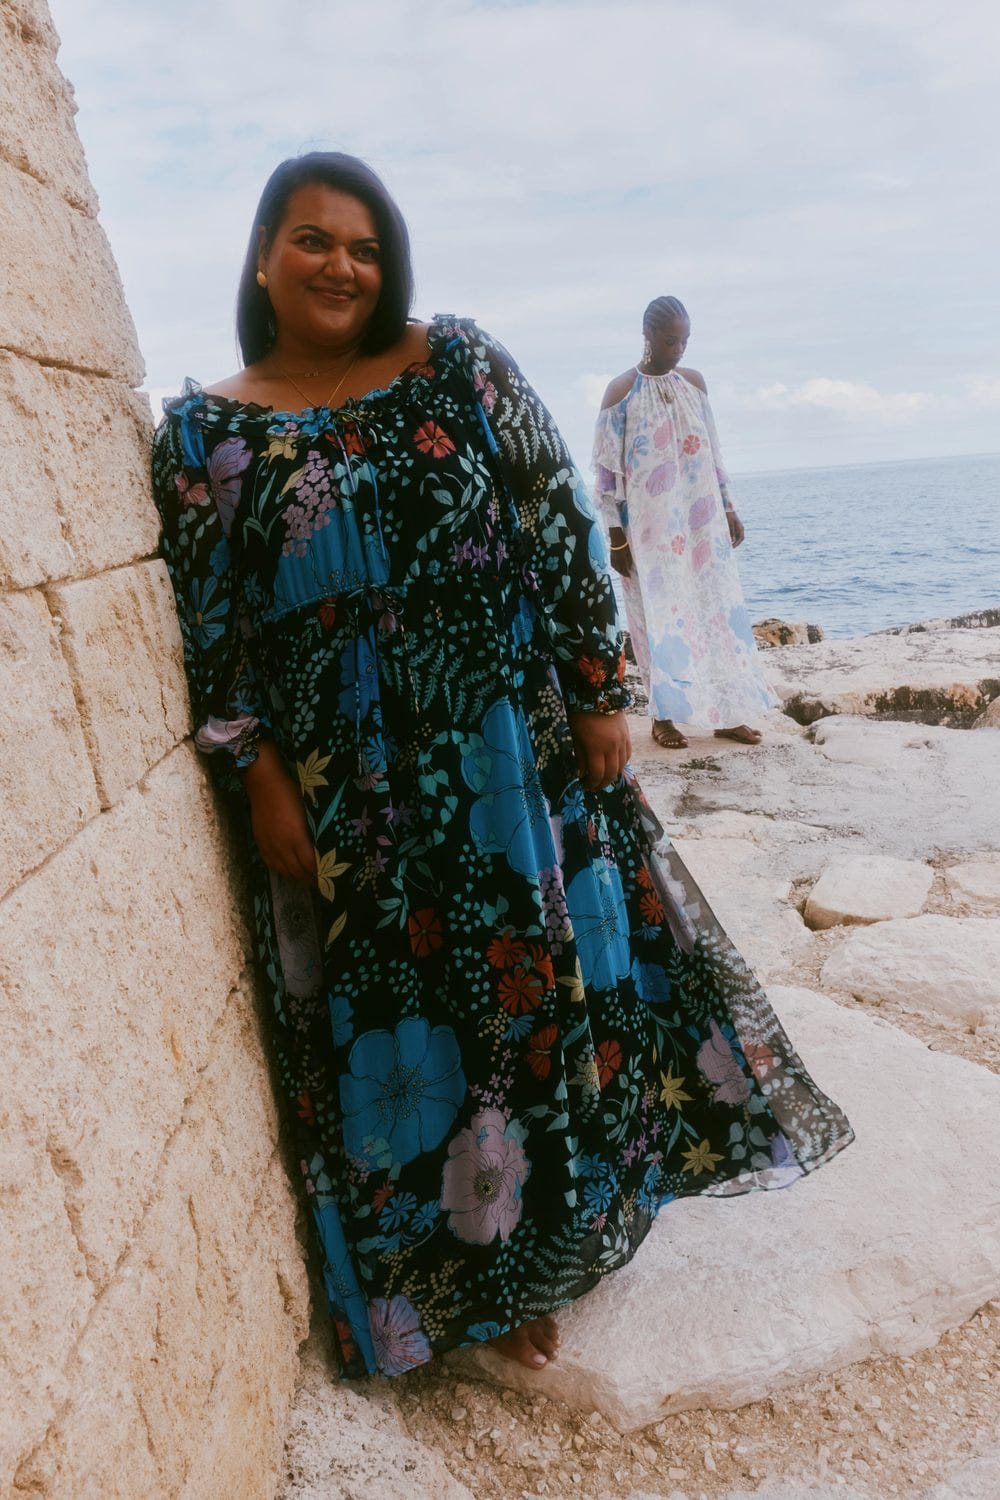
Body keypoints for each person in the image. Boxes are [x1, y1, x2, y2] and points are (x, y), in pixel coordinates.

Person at [152, 154, 852, 1382]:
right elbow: (214, 632)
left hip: (503, 756)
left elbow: (550, 515)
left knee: (530, 1003)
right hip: (350, 787)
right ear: (263, 256)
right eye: (312, 240)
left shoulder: (457, 361)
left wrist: (598, 687)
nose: (341, 266)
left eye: (364, 248)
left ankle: (547, 1253)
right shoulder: (203, 431)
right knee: (405, 1033)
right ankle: (455, 1277)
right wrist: (256, 772)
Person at [594, 297, 776, 750]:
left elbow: (714, 454)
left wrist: (730, 508)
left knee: (716, 612)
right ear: (648, 336)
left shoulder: (695, 384)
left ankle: (727, 712)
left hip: (702, 522)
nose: (679, 349)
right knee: (658, 620)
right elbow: (604, 477)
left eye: (685, 340)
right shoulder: (621, 393)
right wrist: (616, 537)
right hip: (650, 530)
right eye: (671, 340)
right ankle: (665, 717)